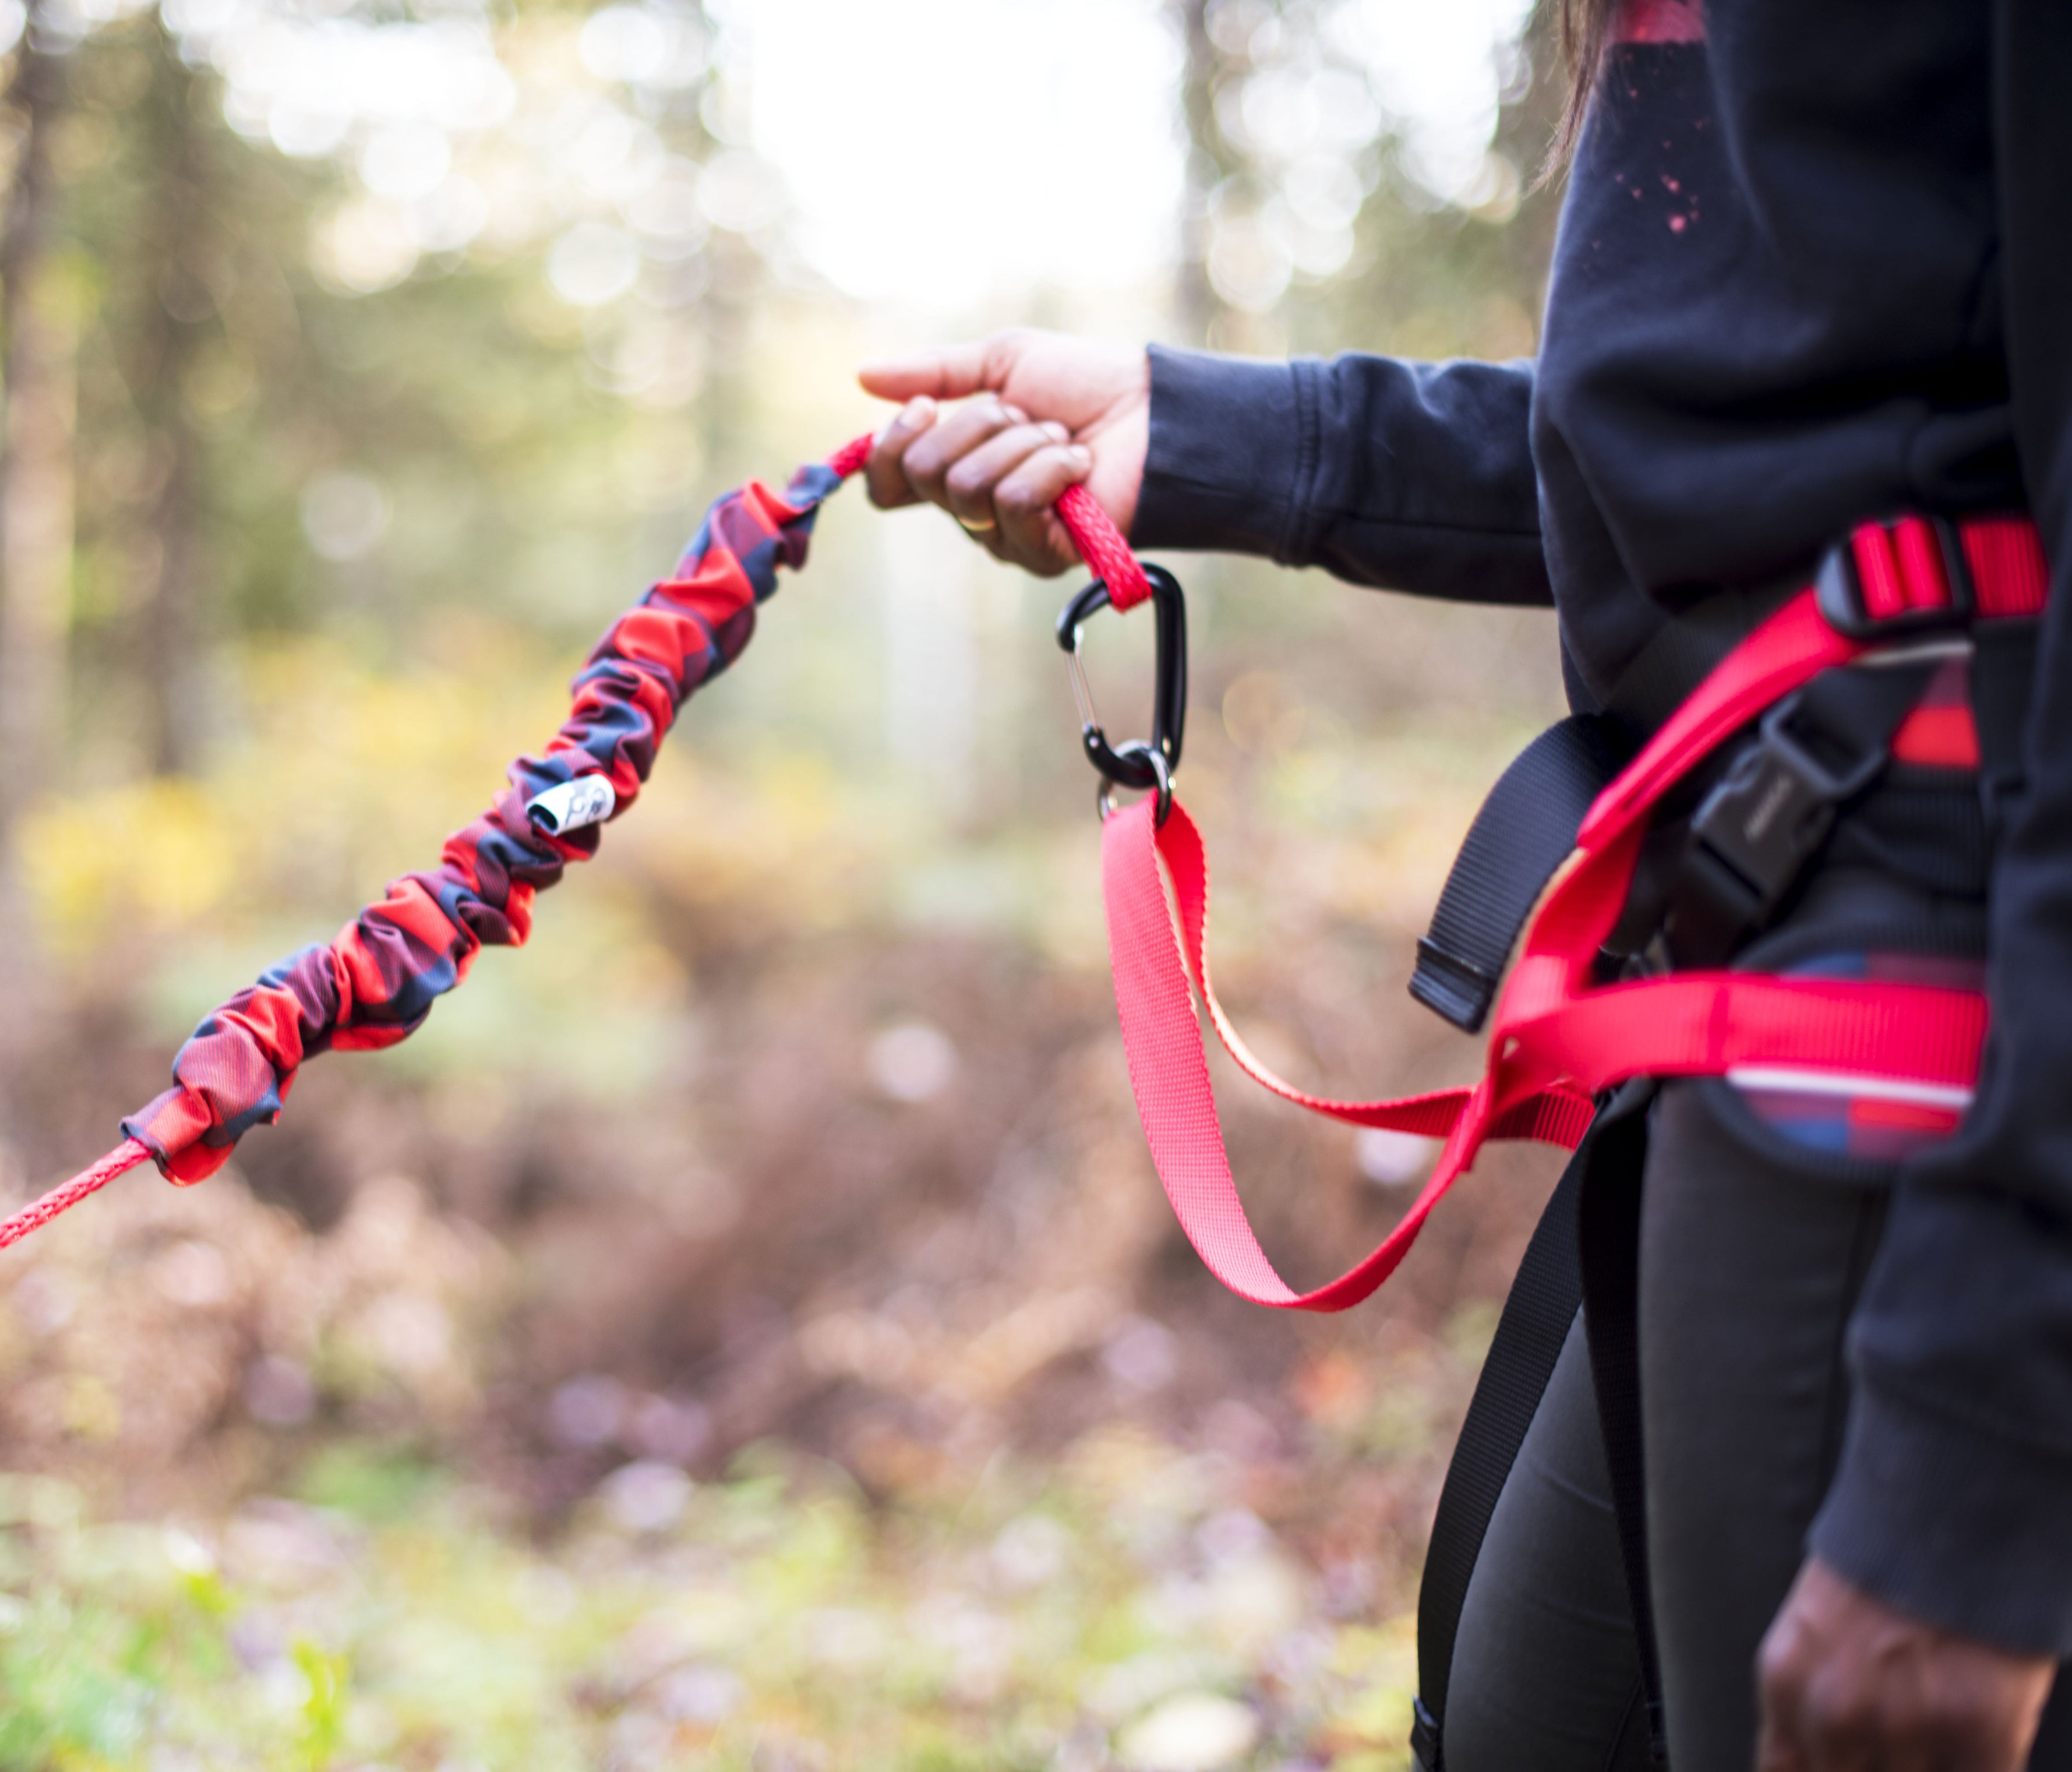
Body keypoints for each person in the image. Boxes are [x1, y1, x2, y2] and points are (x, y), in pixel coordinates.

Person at [852, 3, 2072, 1770]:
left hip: (1938, 1052)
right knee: (1517, 1722)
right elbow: (1738, 429)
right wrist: (1197, 435)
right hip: (1755, 974)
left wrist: (1979, 1460)